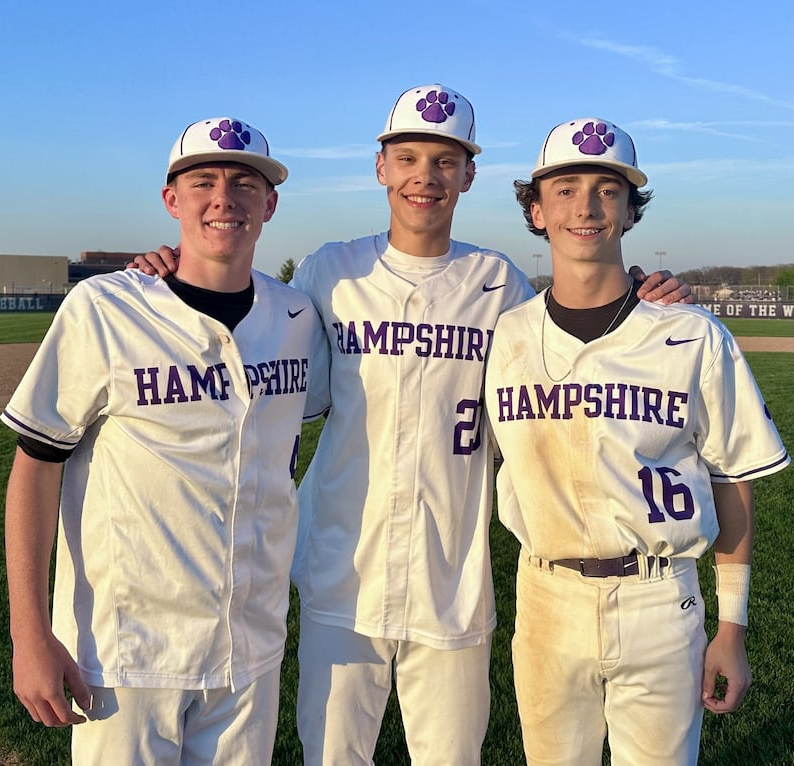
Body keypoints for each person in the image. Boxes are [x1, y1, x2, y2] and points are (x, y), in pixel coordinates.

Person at [132, 87, 691, 765]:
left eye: (445, 161)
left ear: (468, 175)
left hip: (453, 581)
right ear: (381, 168)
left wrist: (641, 294)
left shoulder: (499, 282)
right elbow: (247, 325)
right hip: (341, 573)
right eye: (407, 158)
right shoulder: (329, 271)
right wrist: (169, 272)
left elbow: (576, 325)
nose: (425, 176)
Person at [2, 117, 329, 765]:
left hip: (250, 649)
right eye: (202, 181)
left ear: (269, 204)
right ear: (170, 199)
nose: (223, 197)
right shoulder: (105, 308)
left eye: (244, 183)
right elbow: (35, 467)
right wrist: (29, 634)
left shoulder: (296, 317)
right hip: (128, 652)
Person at [484, 117, 790, 765]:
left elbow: (730, 479)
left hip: (660, 598)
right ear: (536, 211)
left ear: (630, 212)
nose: (586, 207)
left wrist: (732, 627)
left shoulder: (691, 333)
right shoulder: (506, 336)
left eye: (607, 190)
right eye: (565, 190)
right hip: (545, 595)